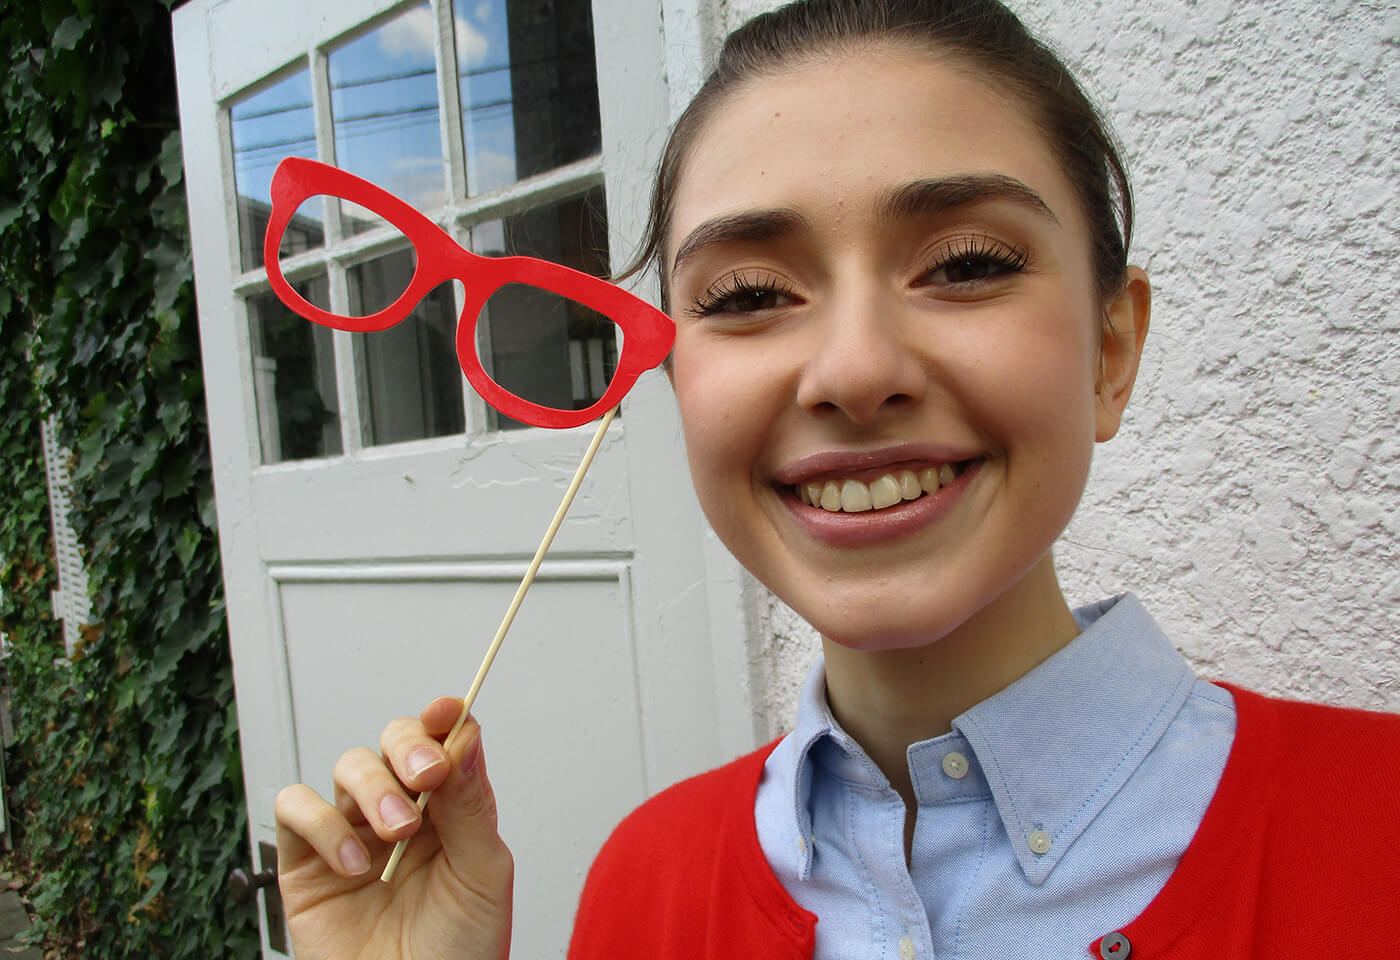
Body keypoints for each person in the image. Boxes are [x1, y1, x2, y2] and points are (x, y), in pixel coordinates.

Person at [272, 1, 1400, 957]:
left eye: (965, 265)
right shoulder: (641, 892)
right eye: (747, 295)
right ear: (672, 380)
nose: (855, 371)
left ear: (1109, 351)